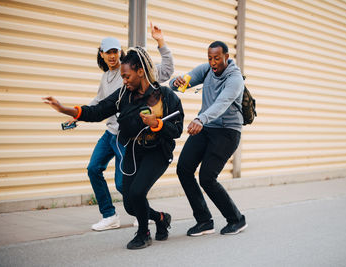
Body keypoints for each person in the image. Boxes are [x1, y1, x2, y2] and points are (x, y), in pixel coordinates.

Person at [43, 46, 184, 250]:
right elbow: (97, 111)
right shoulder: (123, 96)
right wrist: (64, 108)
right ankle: (161, 218)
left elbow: (177, 129)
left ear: (140, 72)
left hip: (157, 151)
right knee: (129, 204)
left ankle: (143, 233)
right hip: (133, 151)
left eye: (126, 76)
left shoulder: (166, 96)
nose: (124, 81)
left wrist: (157, 124)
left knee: (137, 193)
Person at [66, 23, 174, 231]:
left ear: (120, 52)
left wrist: (160, 42)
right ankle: (109, 215)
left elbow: (167, 70)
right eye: (108, 53)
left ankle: (143, 212)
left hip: (126, 136)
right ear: (102, 54)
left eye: (116, 52)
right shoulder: (106, 77)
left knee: (122, 184)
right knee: (93, 169)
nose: (113, 56)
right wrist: (76, 115)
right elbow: (98, 103)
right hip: (110, 134)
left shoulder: (134, 70)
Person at [169, 41, 248, 236]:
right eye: (210, 58)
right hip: (206, 126)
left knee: (207, 177)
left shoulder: (235, 79)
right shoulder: (206, 70)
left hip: (227, 131)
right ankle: (204, 221)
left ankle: (236, 219)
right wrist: (176, 82)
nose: (213, 62)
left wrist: (200, 119)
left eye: (217, 58)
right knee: (184, 169)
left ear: (226, 57)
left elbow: (222, 103)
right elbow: (182, 83)